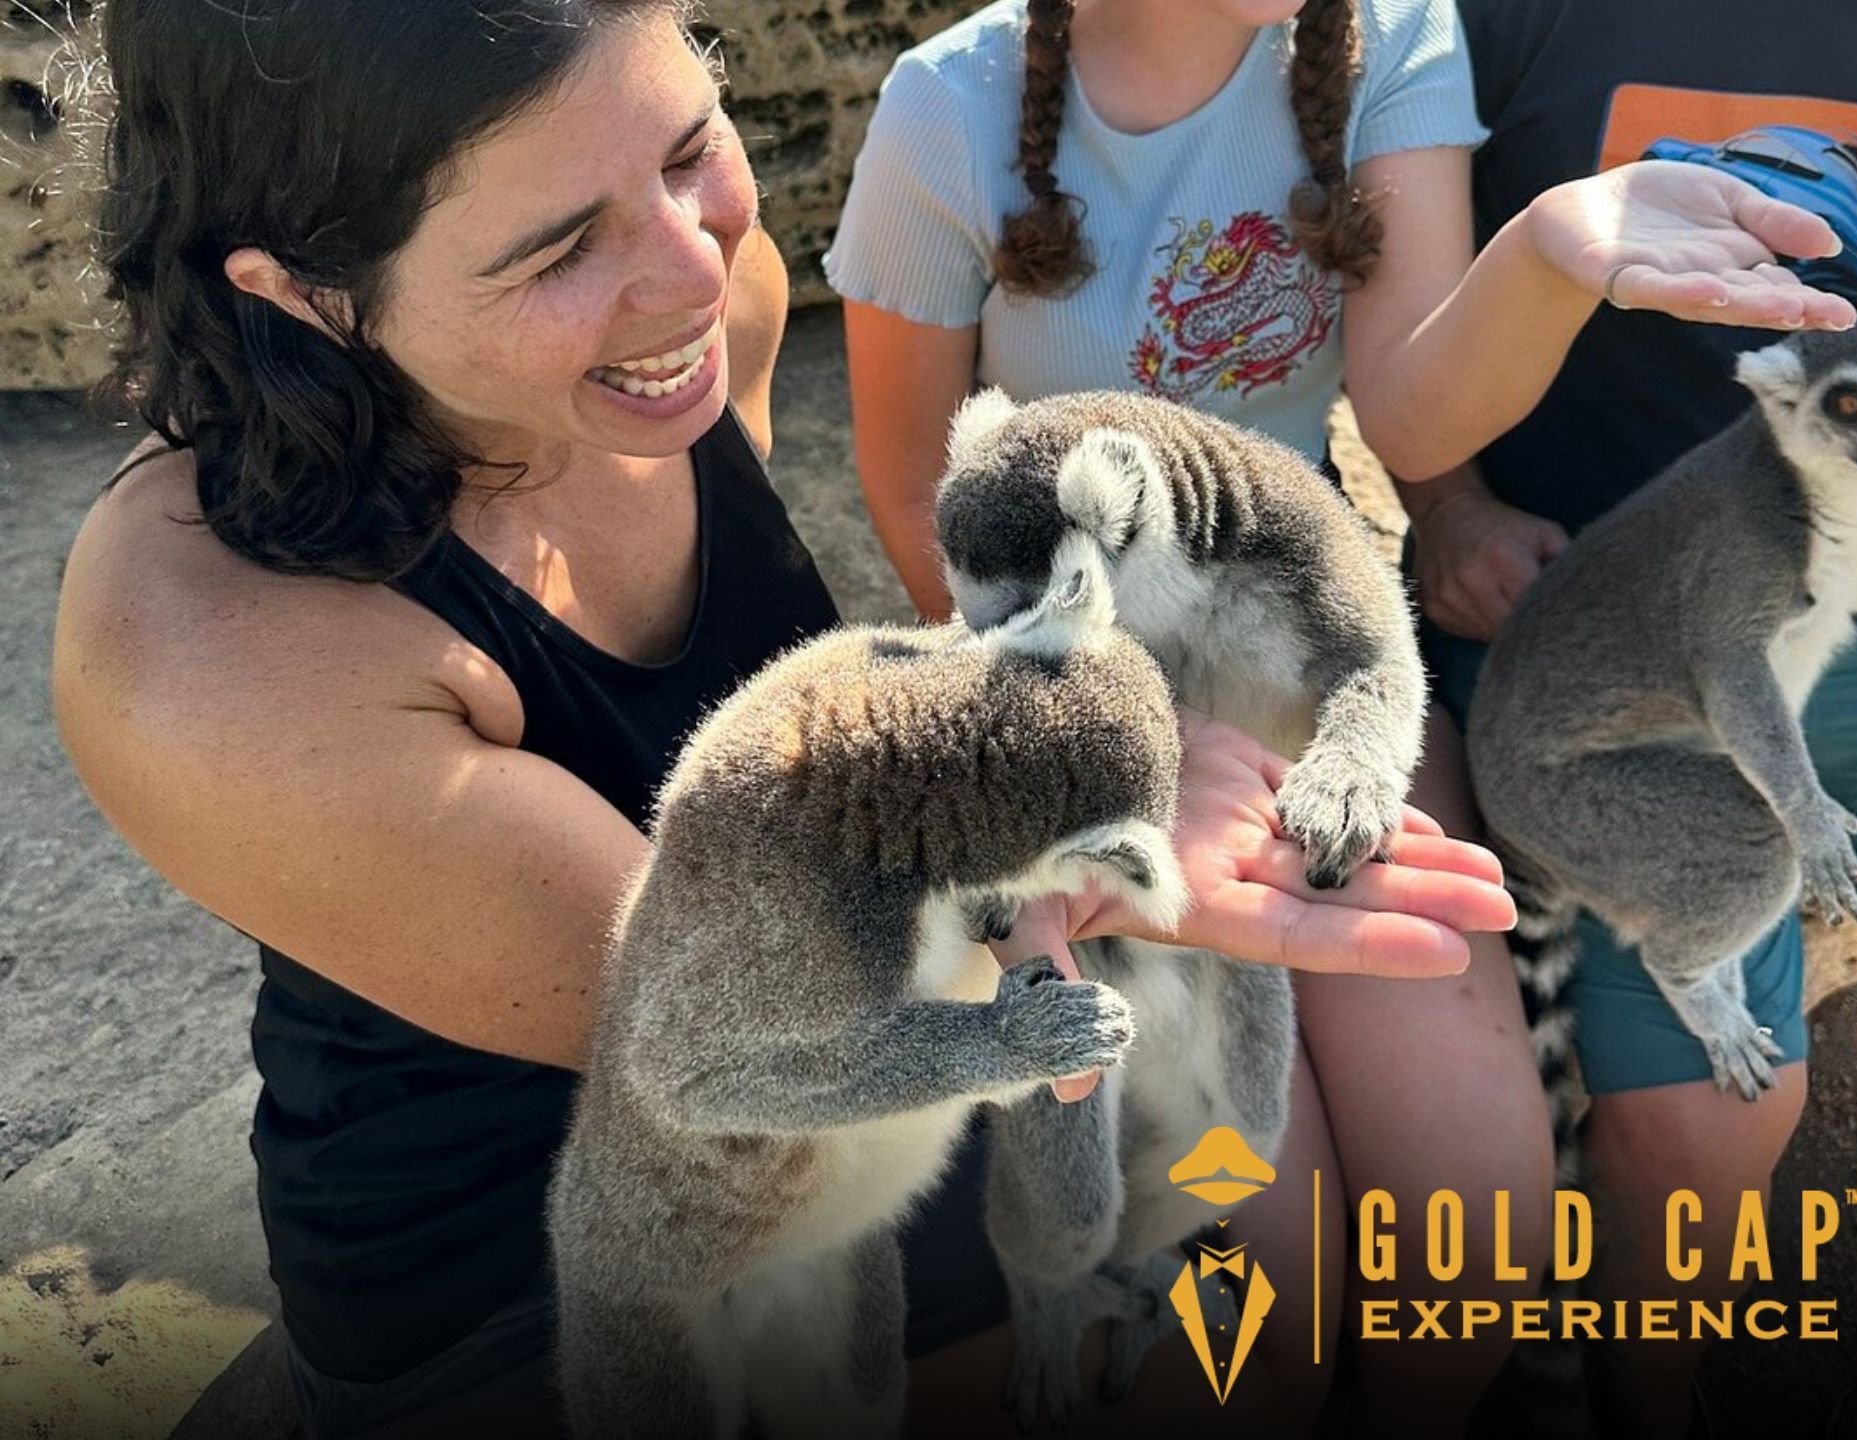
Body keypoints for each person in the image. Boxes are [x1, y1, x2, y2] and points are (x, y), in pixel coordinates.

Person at [48, 3, 1518, 1437]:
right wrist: (1059, 824)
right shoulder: (199, 646)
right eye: (561, 249)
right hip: (572, 1233)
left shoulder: (701, 313)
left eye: (691, 151)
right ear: (304, 290)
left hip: (898, 1065)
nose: (697, 273)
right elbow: (732, 1020)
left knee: (1279, 1339)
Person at [824, 0, 1855, 1432]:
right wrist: (1107, 734)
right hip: (1082, 712)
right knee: (1254, 1299)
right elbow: (910, 495)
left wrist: (1556, 251)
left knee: (1474, 1250)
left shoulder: (1394, 38)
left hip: (1323, 678)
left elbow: (1414, 414)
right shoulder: (951, 106)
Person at [1402, 1, 1857, 1435]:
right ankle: (1657, 1391)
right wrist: (1449, 506)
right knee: (1701, 1125)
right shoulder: (1473, 25)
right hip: (1616, 630)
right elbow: (1398, 320)